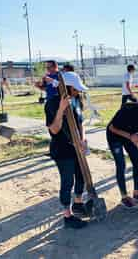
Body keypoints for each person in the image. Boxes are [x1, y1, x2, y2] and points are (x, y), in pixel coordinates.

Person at [45, 71, 89, 229]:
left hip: (76, 147)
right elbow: (54, 130)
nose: (78, 92)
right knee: (68, 180)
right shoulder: (51, 103)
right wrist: (61, 110)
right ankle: (67, 215)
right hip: (62, 150)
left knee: (81, 176)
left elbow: (80, 123)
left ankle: (78, 203)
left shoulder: (75, 100)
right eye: (75, 89)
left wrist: (83, 139)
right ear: (67, 87)